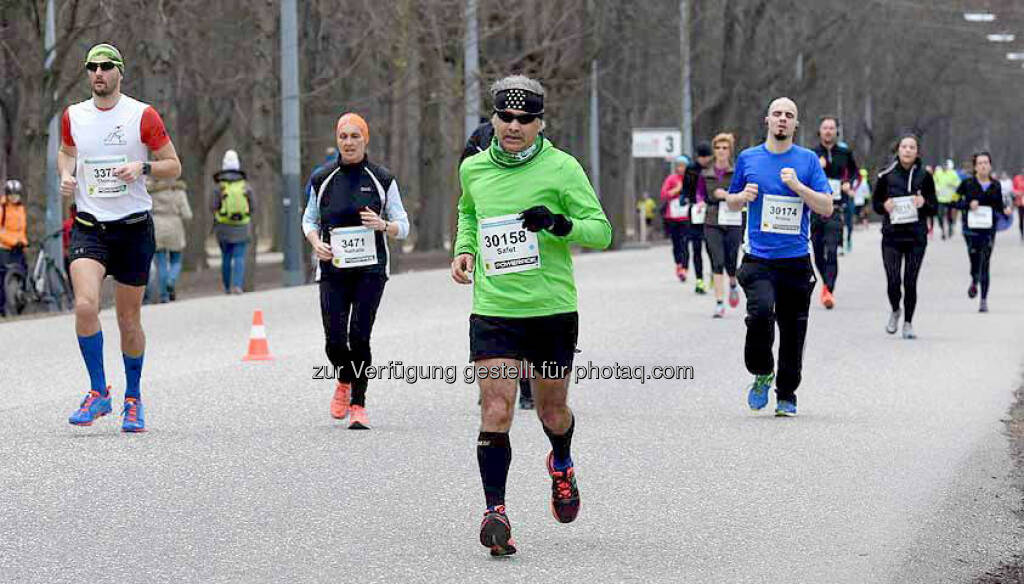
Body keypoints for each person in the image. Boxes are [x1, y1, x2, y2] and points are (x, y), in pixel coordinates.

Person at [451, 75, 611, 556]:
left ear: (540, 123)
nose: (514, 126)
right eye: (506, 117)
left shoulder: (563, 168)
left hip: (551, 310)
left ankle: (560, 461)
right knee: (496, 408)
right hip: (495, 309)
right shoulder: (474, 169)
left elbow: (601, 231)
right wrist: (464, 250)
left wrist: (559, 224)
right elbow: (468, 213)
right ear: (494, 119)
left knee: (552, 411)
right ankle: (495, 512)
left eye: (525, 119)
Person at [60, 43, 182, 432]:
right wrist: (65, 173)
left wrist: (142, 165)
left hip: (132, 228)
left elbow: (173, 166)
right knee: (84, 306)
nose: (98, 73)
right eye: (92, 67)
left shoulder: (141, 115)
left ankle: (133, 397)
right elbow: (66, 152)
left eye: (106, 66)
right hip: (90, 226)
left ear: (119, 72)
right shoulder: (73, 116)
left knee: (129, 321)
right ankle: (99, 392)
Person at [725, 97, 832, 417]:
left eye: (789, 115)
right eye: (777, 114)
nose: (782, 119)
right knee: (759, 314)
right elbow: (730, 202)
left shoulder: (808, 160)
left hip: (796, 260)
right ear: (767, 120)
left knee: (793, 329)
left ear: (796, 124)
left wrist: (798, 186)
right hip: (758, 258)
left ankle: (787, 393)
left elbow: (826, 207)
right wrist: (741, 197)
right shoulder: (748, 158)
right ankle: (761, 371)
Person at [303, 112, 410, 430]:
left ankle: (358, 404)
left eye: (355, 136)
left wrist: (383, 225)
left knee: (359, 337)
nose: (348, 142)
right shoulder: (322, 179)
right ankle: (344, 378)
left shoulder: (381, 178)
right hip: (333, 269)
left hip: (371, 270)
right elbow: (309, 219)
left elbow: (403, 226)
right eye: (343, 136)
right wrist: (314, 242)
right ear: (337, 140)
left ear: (366, 140)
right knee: (334, 342)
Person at [462, 119, 534, 411]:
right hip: (491, 236)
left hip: (526, 234)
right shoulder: (478, 139)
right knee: (495, 313)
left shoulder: (531, 136)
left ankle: (528, 387)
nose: (512, 124)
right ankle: (493, 384)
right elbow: (466, 182)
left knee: (527, 314)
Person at [872, 134, 937, 339]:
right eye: (904, 146)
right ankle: (895, 310)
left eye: (912, 147)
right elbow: (875, 204)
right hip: (892, 236)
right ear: (898, 150)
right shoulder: (886, 175)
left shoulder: (925, 176)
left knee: (910, 281)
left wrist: (923, 203)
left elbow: (935, 207)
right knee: (893, 280)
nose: (908, 150)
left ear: (917, 152)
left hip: (916, 237)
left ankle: (908, 322)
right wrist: (884, 206)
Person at [954, 152, 1013, 312]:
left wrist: (1005, 210)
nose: (983, 166)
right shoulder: (967, 183)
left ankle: (984, 300)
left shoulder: (996, 185)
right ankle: (974, 280)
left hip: (988, 230)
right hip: (970, 230)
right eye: (980, 163)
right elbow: (954, 201)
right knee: (974, 261)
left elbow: (999, 205)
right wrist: (967, 204)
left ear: (990, 165)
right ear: (975, 166)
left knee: (985, 262)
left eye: (986, 162)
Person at [811, 116, 858, 309]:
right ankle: (825, 284)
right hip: (814, 208)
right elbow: (802, 176)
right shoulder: (811, 154)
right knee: (817, 252)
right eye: (825, 128)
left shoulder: (844, 153)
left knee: (831, 251)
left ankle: (828, 289)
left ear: (836, 132)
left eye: (832, 128)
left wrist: (849, 184)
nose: (828, 131)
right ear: (820, 131)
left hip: (836, 208)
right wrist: (816, 166)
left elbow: (856, 173)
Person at [702, 133, 743, 318]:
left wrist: (727, 196)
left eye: (725, 148)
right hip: (712, 220)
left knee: (731, 260)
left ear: (730, 151)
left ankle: (733, 283)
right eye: (718, 148)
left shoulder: (737, 172)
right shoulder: (705, 173)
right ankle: (719, 303)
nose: (721, 151)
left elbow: (744, 196)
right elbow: (699, 194)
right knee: (716, 260)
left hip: (733, 219)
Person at [211, 150, 254, 294]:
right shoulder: (245, 186)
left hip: (223, 225)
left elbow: (213, 206)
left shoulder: (219, 187)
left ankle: (227, 287)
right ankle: (237, 285)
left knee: (226, 257)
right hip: (242, 225)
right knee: (239, 256)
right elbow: (253, 206)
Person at [149, 176, 192, 302]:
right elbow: (187, 214)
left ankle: (164, 296)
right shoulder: (179, 192)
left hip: (157, 226)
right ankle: (171, 279)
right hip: (175, 226)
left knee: (161, 263)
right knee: (176, 259)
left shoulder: (152, 193)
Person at [660, 155, 695, 282]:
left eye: (683, 166)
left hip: (686, 216)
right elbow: (664, 195)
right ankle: (678, 264)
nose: (681, 168)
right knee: (676, 243)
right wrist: (676, 190)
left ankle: (684, 268)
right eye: (679, 166)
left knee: (685, 243)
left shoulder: (690, 179)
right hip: (672, 216)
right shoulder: (671, 179)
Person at [0, 179, 29, 317]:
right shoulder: (2, 208)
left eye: (16, 194)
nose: (14, 197)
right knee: (3, 277)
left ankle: (19, 303)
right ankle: (2, 308)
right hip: (4, 247)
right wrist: (12, 241)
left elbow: (22, 230)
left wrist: (22, 242)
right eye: (11, 194)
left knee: (23, 272)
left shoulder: (21, 209)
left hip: (18, 246)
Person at [932, 159, 960, 240]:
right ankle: (942, 230)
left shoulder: (953, 173)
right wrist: (936, 188)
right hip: (940, 198)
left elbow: (958, 184)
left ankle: (950, 227)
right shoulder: (938, 173)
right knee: (940, 215)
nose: (944, 167)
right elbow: (934, 181)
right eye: (943, 165)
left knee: (949, 216)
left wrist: (952, 184)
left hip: (950, 198)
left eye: (946, 166)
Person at [1012, 168, 1024, 239]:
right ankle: (1022, 234)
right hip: (1020, 202)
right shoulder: (1017, 178)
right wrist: (1017, 192)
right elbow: (1013, 188)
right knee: (1021, 218)